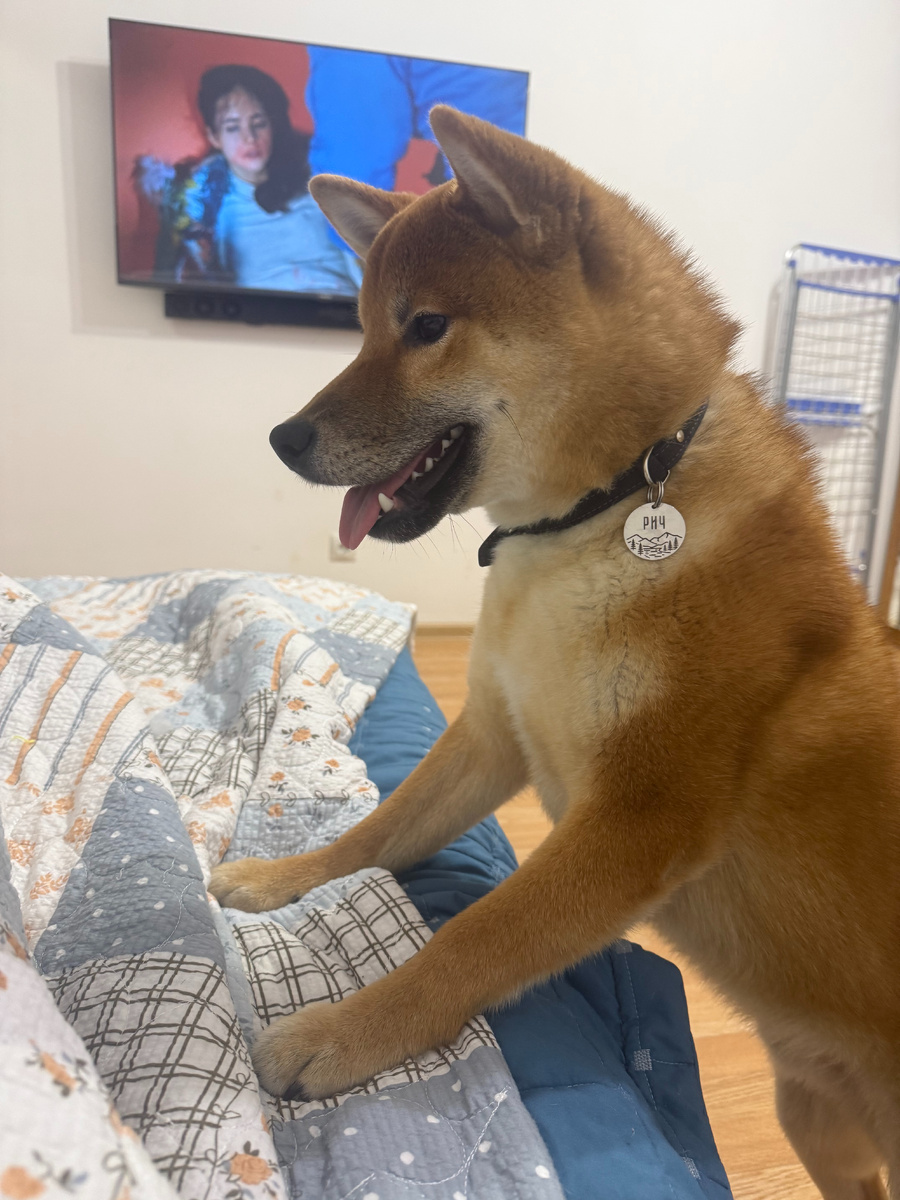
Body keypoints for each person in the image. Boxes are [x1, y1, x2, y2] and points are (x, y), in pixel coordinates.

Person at [134, 64, 362, 295]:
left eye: (259, 123)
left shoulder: (321, 175)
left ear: (272, 126)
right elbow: (167, 278)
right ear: (214, 136)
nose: (250, 138)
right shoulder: (201, 200)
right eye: (233, 128)